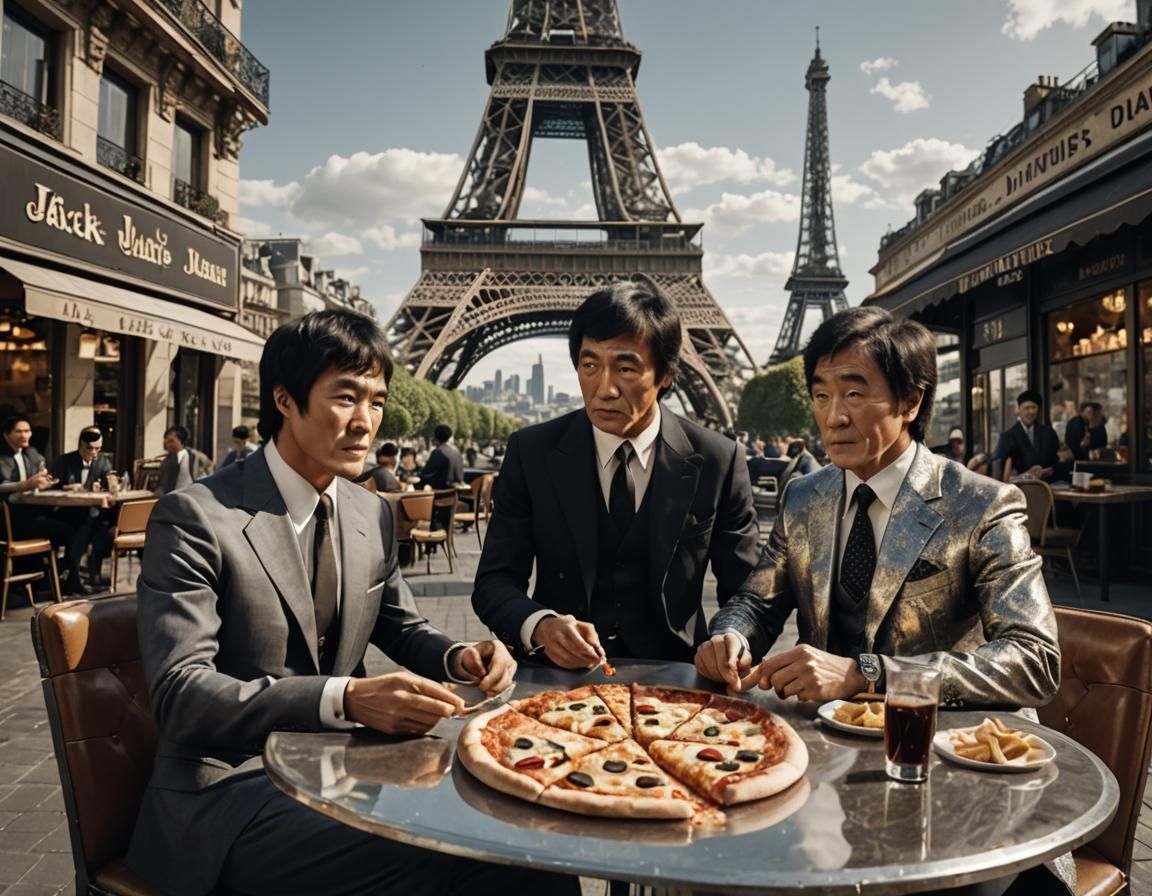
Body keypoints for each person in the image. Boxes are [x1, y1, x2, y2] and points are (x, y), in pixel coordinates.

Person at [126, 309, 576, 896]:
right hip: (228, 795)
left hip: (345, 771)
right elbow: (181, 694)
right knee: (455, 852)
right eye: (345, 398)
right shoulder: (196, 517)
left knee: (526, 843)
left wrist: (460, 657)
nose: (366, 421)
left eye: (377, 401)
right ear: (285, 400)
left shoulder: (368, 511)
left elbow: (400, 624)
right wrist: (347, 698)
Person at [695, 306, 1067, 894]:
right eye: (821, 395)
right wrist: (731, 636)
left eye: (854, 393)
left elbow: (1035, 659)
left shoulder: (982, 504)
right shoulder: (804, 497)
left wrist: (868, 674)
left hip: (953, 777)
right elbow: (759, 601)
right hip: (824, 773)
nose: (833, 416)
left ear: (910, 402)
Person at [472, 278, 760, 666]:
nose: (604, 388)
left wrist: (732, 639)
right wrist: (540, 625)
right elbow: (495, 581)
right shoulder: (531, 452)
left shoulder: (718, 459)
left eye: (625, 368)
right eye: (590, 366)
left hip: (679, 677)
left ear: (666, 375)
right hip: (559, 679)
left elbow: (747, 592)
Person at [0, 416, 88, 594]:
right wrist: (26, 485)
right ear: (6, 435)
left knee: (77, 523)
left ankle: (59, 576)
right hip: (9, 524)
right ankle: (54, 576)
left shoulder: (31, 454)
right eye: (18, 431)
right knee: (67, 532)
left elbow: (40, 478)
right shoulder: (2, 458)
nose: (24, 435)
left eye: (27, 431)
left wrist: (51, 483)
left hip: (30, 514)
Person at [50, 426, 115, 589]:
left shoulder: (103, 462)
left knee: (99, 525)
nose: (94, 453)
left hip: (94, 512)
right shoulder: (64, 461)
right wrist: (66, 487)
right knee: (86, 525)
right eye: (90, 448)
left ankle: (73, 572)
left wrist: (109, 486)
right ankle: (76, 575)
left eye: (98, 448)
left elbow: (110, 485)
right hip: (66, 512)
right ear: (80, 444)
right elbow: (51, 486)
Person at [992, 390, 1067, 483]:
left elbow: (1058, 462)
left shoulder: (1049, 433)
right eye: (1026, 408)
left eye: (1033, 408)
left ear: (1038, 410)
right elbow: (1000, 471)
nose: (1030, 412)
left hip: (1046, 485)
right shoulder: (1008, 436)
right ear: (1019, 409)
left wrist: (1048, 471)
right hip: (1019, 487)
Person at [154, 425, 214, 494]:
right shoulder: (166, 461)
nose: (168, 444)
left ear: (180, 440)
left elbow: (210, 470)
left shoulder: (195, 456)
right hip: (172, 496)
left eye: (171, 441)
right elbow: (162, 482)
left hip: (193, 494)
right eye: (166, 441)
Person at [421, 424, 464, 490]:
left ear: (436, 438)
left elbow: (426, 472)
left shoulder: (438, 452)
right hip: (456, 490)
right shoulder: (457, 451)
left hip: (442, 491)